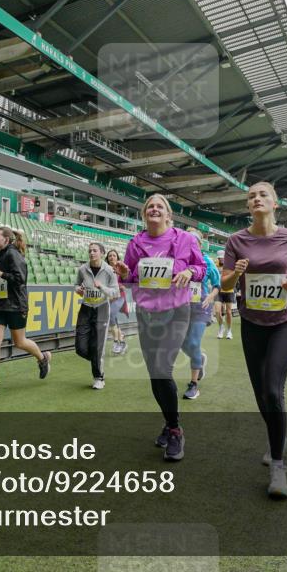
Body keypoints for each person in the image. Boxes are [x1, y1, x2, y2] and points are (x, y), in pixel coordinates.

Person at [222, 182, 287, 500]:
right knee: (261, 394)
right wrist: (237, 274)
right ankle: (279, 435)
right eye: (251, 197)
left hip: (285, 321)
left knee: (274, 389)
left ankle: (278, 465)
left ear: (275, 204)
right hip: (252, 323)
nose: (256, 199)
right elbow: (225, 281)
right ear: (247, 206)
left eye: (262, 195)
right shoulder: (236, 240)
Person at [111, 194, 205, 461]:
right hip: (147, 314)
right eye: (150, 206)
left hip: (176, 311)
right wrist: (124, 272)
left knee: (163, 370)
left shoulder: (185, 240)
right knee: (155, 374)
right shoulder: (135, 243)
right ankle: (169, 421)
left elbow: (200, 267)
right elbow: (129, 278)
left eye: (159, 206)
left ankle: (175, 430)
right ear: (144, 214)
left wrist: (190, 272)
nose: (154, 208)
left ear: (168, 215)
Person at [0, 227, 50, 397]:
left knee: (20, 342)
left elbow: (20, 280)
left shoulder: (14, 254)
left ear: (6, 240)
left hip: (15, 305)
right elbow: (5, 280)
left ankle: (42, 358)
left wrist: (0, 274)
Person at [180, 228, 221, 400]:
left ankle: (193, 384)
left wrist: (211, 297)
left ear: (199, 244)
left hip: (200, 307)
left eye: (193, 241)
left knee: (194, 342)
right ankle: (199, 359)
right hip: (181, 308)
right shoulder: (179, 261)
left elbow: (217, 284)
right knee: (182, 343)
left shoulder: (206, 261)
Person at [73, 242, 120, 389]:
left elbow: (115, 292)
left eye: (95, 250)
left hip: (101, 308)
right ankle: (97, 360)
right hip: (86, 308)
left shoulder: (109, 271)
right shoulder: (82, 269)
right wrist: (78, 290)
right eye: (90, 251)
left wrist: (102, 287)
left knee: (98, 345)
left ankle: (99, 377)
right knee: (80, 348)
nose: (91, 253)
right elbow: (76, 285)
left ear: (101, 253)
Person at [105, 249, 129, 354]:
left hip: (120, 297)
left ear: (117, 258)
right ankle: (122, 343)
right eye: (110, 256)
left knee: (111, 314)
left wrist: (122, 285)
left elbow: (127, 280)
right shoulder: (105, 269)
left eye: (114, 255)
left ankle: (116, 342)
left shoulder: (122, 268)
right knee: (113, 319)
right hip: (110, 297)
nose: (112, 257)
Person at [215, 250, 236, 339]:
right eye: (220, 258)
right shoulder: (215, 265)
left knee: (228, 312)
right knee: (217, 311)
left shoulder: (230, 266)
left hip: (229, 291)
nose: (221, 259)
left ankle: (229, 331)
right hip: (218, 290)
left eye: (223, 258)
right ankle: (221, 327)